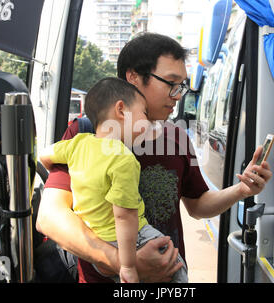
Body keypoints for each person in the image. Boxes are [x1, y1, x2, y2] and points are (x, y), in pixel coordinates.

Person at [36, 32, 273, 283]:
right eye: (171, 83)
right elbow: (50, 217)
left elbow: (197, 204)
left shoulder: (177, 137)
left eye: (182, 85)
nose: (178, 95)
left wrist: (241, 190)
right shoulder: (85, 133)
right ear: (134, 78)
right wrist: (124, 263)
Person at [38, 77, 187, 283]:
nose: (147, 121)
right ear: (121, 110)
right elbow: (124, 216)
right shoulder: (123, 158)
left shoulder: (77, 143)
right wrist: (127, 265)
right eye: (144, 113)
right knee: (175, 266)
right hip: (128, 242)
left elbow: (44, 156)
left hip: (95, 238)